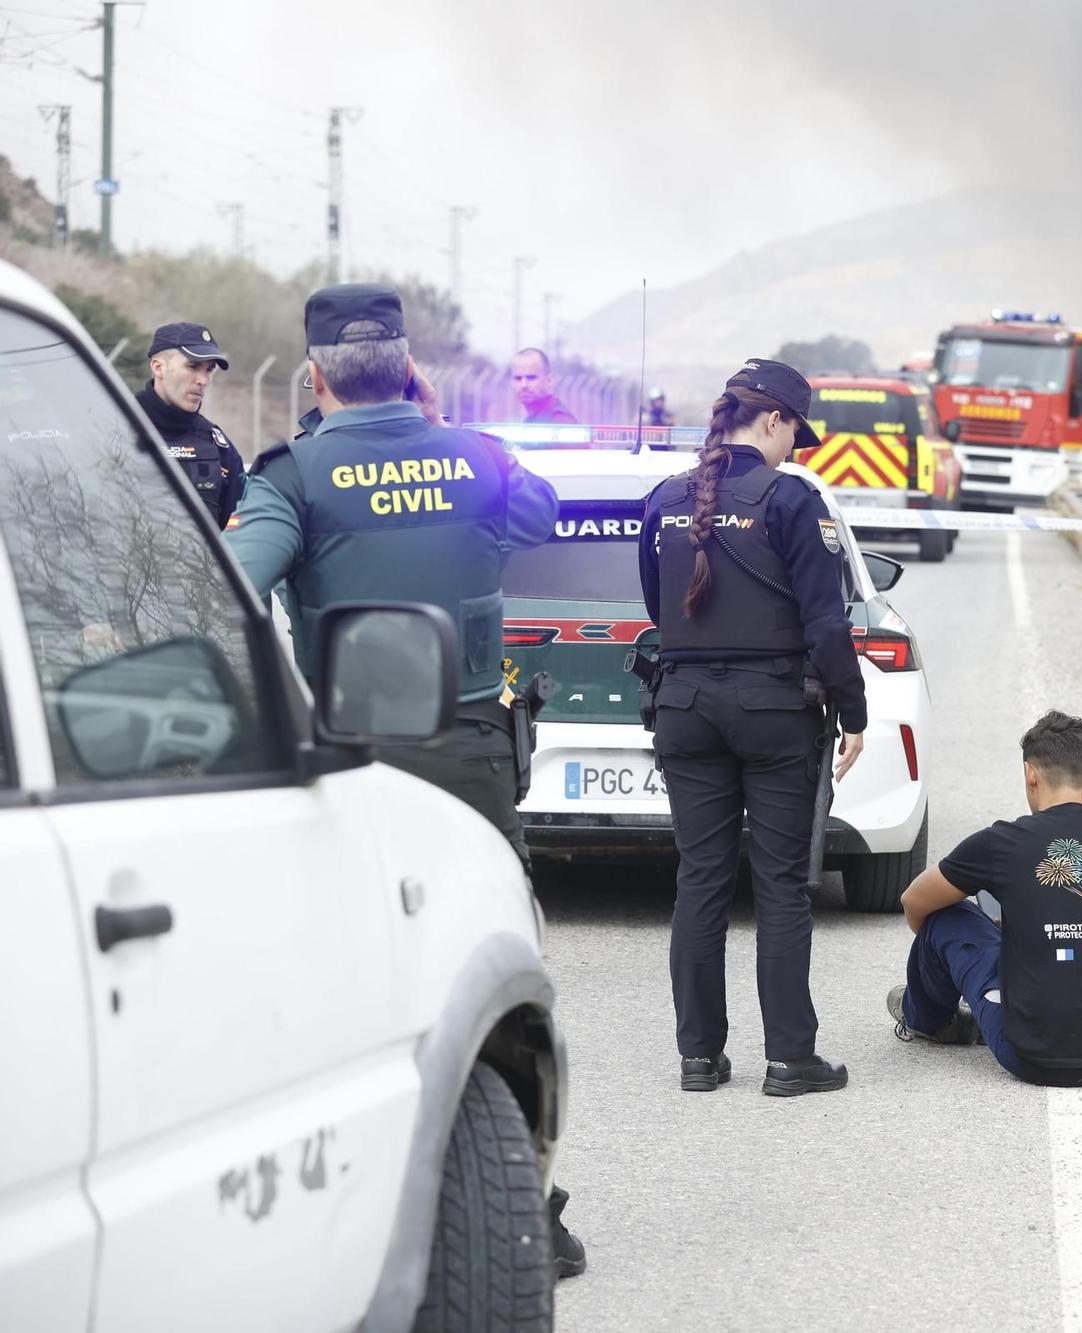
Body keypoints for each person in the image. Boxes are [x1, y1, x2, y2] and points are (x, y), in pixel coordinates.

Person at [222, 283, 587, 1278]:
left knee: (344, 970)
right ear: (411, 369)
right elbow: (543, 514)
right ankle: (520, 1200)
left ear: (313, 376)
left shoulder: (292, 475)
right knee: (494, 967)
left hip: (350, 765)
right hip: (472, 759)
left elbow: (233, 587)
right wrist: (435, 428)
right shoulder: (479, 459)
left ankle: (340, 1201)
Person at [638, 357, 865, 1098]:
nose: (795, 447)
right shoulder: (791, 498)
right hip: (773, 712)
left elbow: (658, 607)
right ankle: (789, 1059)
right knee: (780, 887)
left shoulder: (665, 498)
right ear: (773, 420)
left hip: (684, 708)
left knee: (700, 880)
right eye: (795, 431)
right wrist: (854, 712)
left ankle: (699, 1058)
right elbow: (826, 623)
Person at [892, 711, 1082, 1085]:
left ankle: (928, 1020)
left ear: (1031, 775)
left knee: (945, 917)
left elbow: (915, 902)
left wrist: (1000, 952)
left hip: (1037, 1056)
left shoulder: (1002, 842)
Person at [138, 322, 245, 528]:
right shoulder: (116, 427)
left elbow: (239, 534)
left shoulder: (218, 445)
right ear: (158, 367)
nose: (203, 380)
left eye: (209, 370)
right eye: (193, 367)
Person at [511, 347, 577, 424]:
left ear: (549, 380)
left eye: (531, 378)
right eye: (518, 378)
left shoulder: (560, 420)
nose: (524, 385)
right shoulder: (530, 418)